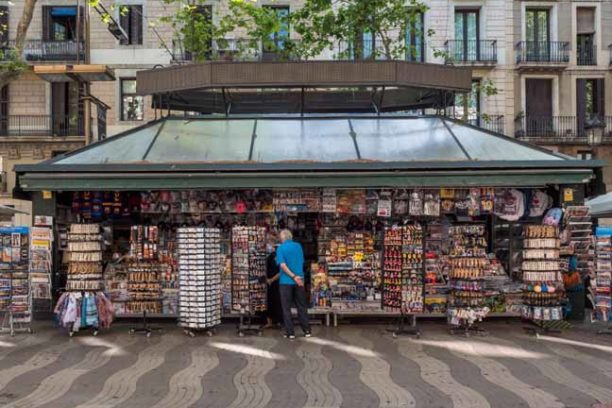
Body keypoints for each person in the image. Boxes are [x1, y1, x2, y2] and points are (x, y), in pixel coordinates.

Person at [276, 229, 311, 339]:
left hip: (286, 282)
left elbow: (282, 265)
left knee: (286, 308)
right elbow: (301, 262)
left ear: (282, 238)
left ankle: (290, 332)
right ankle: (307, 330)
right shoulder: (298, 246)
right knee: (302, 306)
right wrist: (297, 277)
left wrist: (292, 276)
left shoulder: (281, 248)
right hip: (299, 280)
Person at [262, 242, 282, 329]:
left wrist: (269, 279)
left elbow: (265, 269)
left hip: (271, 282)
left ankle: (270, 322)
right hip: (276, 283)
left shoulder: (270, 257)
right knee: (277, 302)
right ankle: (277, 322)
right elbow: (281, 271)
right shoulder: (280, 257)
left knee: (270, 302)